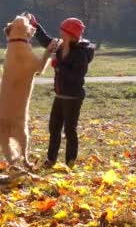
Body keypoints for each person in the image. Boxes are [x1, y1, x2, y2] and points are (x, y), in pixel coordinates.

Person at [28, 14, 95, 168]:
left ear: (71, 34)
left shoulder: (80, 53)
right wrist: (36, 26)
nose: (60, 33)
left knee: (70, 130)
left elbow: (76, 76)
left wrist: (58, 66)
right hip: (60, 95)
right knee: (54, 128)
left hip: (73, 97)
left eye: (63, 31)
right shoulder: (62, 45)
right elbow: (47, 41)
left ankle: (70, 162)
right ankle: (51, 160)